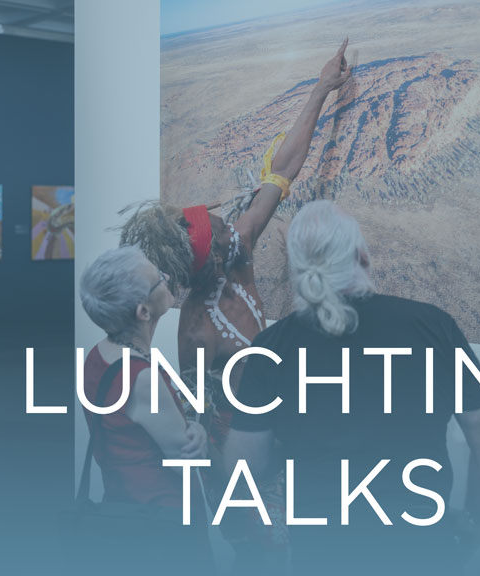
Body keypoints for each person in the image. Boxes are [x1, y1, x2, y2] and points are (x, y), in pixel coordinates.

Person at [120, 40, 353, 570]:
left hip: (279, 442)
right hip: (245, 464)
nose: (236, 226)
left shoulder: (236, 251)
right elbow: (204, 423)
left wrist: (321, 87)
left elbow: (283, 171)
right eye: (224, 230)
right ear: (207, 260)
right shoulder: (198, 333)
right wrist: (245, 504)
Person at [223, 201, 480, 575]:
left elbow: (245, 467)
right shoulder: (433, 327)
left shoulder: (272, 348)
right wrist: (475, 520)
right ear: (362, 257)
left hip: (323, 553)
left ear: (297, 271)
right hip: (421, 548)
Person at [79, 245, 212, 571]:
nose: (167, 278)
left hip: (124, 509)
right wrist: (201, 433)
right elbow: (185, 455)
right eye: (158, 280)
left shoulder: (99, 355)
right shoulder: (142, 380)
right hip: (162, 521)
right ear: (143, 312)